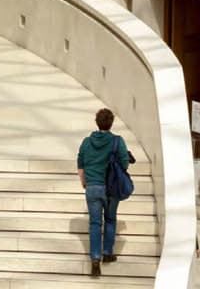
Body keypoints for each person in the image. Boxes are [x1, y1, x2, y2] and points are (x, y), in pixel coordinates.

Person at [77, 108, 131, 277]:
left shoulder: (86, 142)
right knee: (109, 219)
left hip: (92, 186)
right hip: (110, 188)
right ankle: (107, 253)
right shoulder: (117, 141)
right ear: (111, 123)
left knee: (94, 223)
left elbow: (80, 163)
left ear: (97, 122)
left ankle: (95, 259)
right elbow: (124, 164)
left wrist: (84, 182)